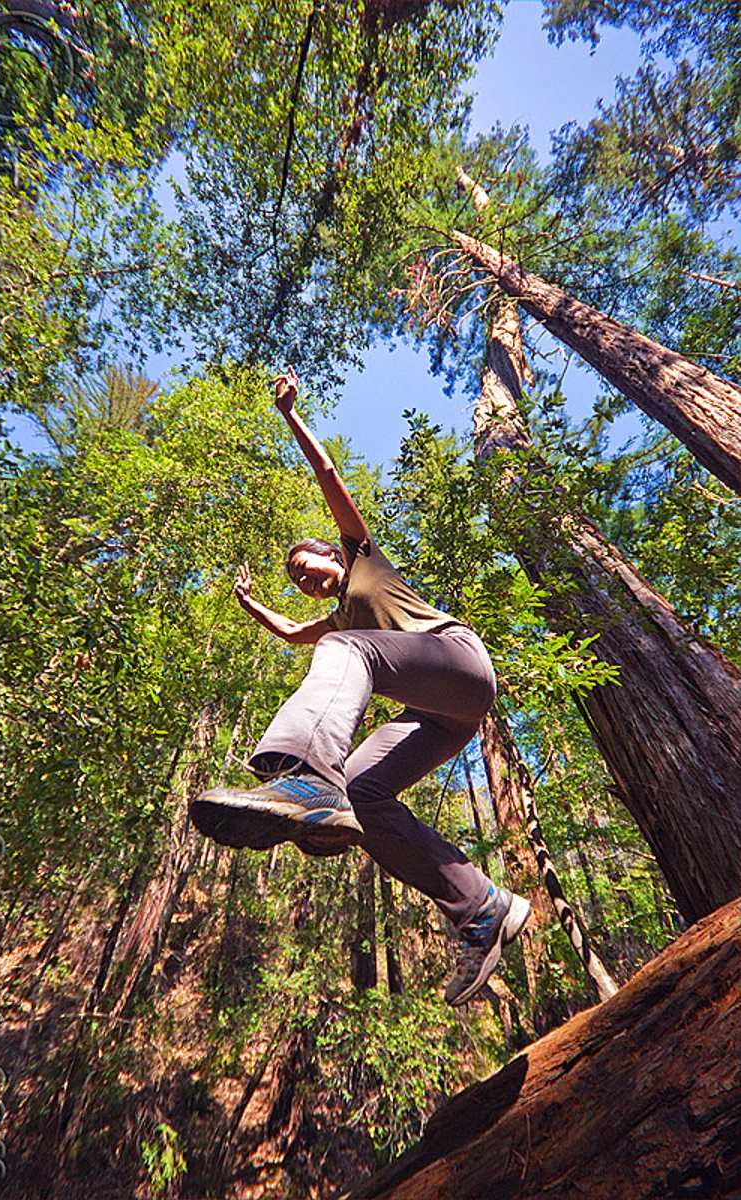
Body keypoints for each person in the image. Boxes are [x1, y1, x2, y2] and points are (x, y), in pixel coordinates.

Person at [190, 367, 531, 1006]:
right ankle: (481, 907)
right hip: (442, 719)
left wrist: (292, 415)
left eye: (306, 566)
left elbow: (328, 478)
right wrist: (250, 606)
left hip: (459, 663)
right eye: (295, 579)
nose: (303, 579)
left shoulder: (364, 559)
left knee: (342, 650)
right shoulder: (339, 620)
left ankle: (303, 775)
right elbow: (294, 631)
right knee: (362, 794)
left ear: (333, 555)